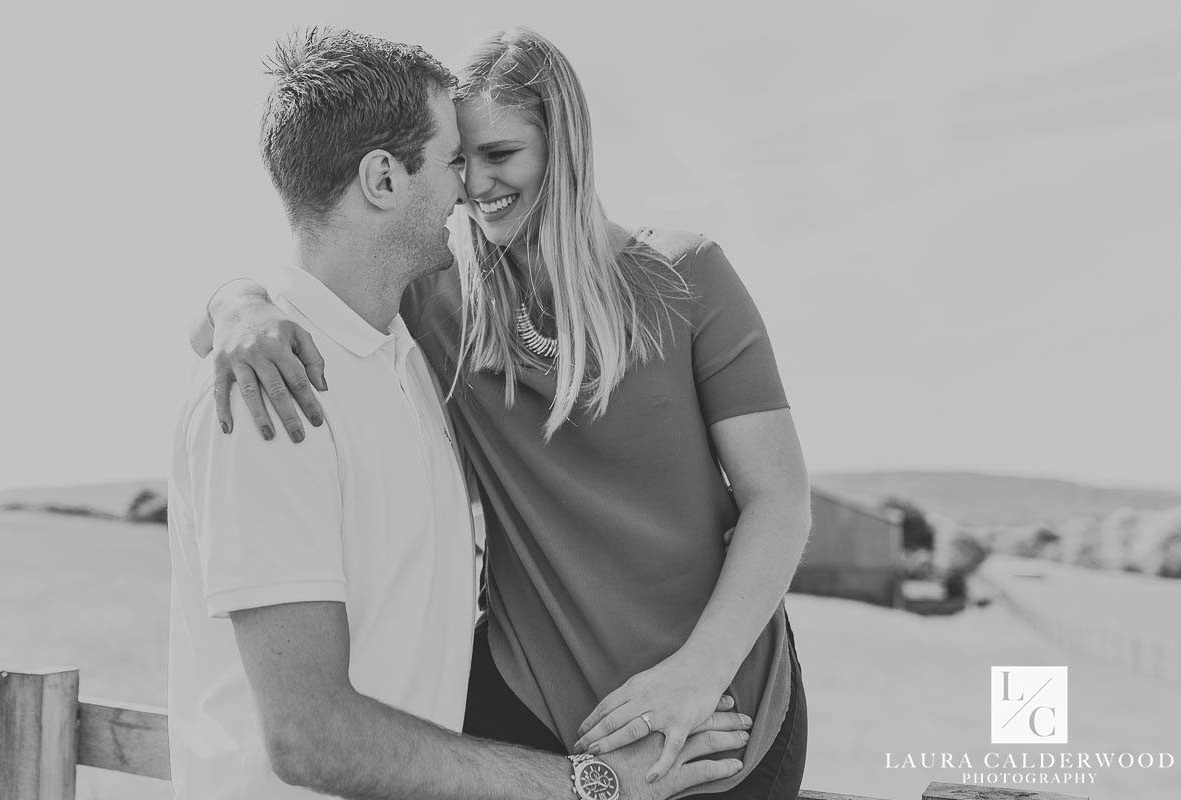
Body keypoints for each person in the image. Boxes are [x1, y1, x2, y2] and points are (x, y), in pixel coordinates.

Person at [196, 27, 811, 799]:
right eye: (461, 159)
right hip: (527, 711)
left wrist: (697, 673)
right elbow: (315, 272)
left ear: (565, 150)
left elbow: (779, 499)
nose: (475, 184)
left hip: (722, 702)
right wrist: (237, 305)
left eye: (502, 155)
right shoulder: (432, 293)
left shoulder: (687, 279)